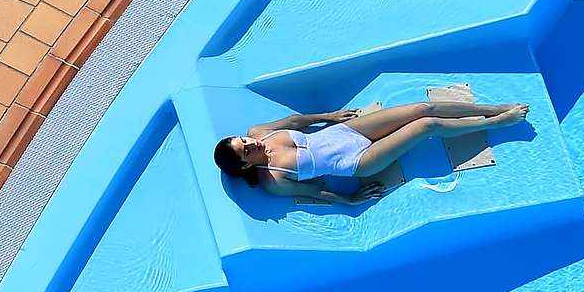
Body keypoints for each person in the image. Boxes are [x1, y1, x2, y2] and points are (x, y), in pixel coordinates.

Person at [213, 98, 528, 202]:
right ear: (243, 166)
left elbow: (296, 121)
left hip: (346, 131)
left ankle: (492, 108)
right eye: (246, 151)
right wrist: (349, 199)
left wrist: (330, 116)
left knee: (423, 107)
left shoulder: (260, 133)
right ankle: (498, 123)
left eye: (244, 140)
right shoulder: (273, 180)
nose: (251, 143)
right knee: (427, 125)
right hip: (358, 162)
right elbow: (315, 193)